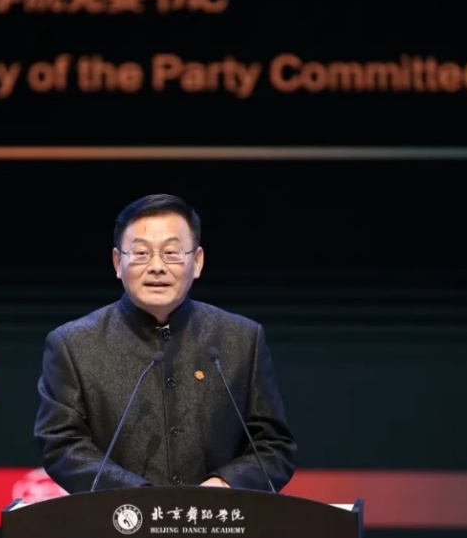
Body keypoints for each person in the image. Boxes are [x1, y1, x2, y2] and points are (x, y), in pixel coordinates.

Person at [33, 193, 296, 493]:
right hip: (118, 518)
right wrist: (138, 496)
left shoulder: (241, 338)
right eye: (141, 253)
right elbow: (62, 445)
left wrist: (225, 483)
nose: (157, 266)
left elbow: (273, 446)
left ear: (196, 262)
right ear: (118, 262)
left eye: (172, 252)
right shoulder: (72, 344)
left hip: (217, 518)